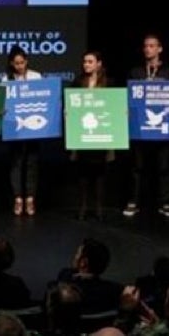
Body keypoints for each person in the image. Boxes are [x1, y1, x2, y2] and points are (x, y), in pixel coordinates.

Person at [124, 34, 169, 218]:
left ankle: (166, 202)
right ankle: (134, 201)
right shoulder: (136, 72)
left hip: (163, 127)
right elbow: (129, 96)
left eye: (152, 46)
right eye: (146, 46)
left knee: (164, 166)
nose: (148, 49)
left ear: (159, 49)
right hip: (140, 126)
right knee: (137, 167)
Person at [71, 51, 114, 221]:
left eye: (90, 61)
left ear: (99, 64)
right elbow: (71, 103)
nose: (86, 64)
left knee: (100, 173)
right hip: (83, 134)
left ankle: (98, 208)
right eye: (84, 61)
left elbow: (113, 106)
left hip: (102, 135)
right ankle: (82, 206)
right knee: (83, 172)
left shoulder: (108, 83)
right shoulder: (78, 82)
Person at [0, 46, 43, 217]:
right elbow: (3, 103)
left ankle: (30, 198)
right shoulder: (6, 79)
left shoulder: (36, 77)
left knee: (32, 162)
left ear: (27, 61)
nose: (19, 66)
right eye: (16, 63)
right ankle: (18, 198)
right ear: (12, 63)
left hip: (34, 128)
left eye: (22, 62)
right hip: (14, 128)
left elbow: (43, 99)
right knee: (16, 162)